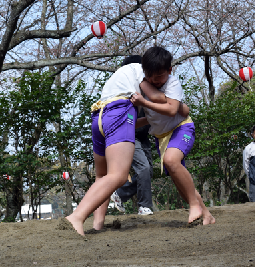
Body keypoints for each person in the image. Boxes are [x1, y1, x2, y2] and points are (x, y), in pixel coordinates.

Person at [65, 57, 167, 236]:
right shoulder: (139, 71)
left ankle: (98, 224)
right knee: (118, 176)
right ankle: (76, 217)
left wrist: (152, 119)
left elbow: (128, 123)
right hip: (120, 112)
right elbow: (158, 97)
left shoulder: (118, 79)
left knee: (102, 176)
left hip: (99, 116)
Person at [130, 46, 215, 225]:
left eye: (159, 76)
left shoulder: (172, 83)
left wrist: (145, 101)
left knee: (171, 161)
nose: (155, 80)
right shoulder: (143, 82)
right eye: (150, 76)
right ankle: (206, 214)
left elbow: (171, 110)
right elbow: (152, 117)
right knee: (180, 180)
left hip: (181, 128)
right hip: (161, 138)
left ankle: (194, 205)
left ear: (170, 70)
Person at [110, 55, 154, 216]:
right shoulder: (124, 92)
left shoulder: (148, 89)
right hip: (129, 134)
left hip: (143, 135)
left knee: (148, 172)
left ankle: (121, 194)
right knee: (143, 168)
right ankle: (144, 206)